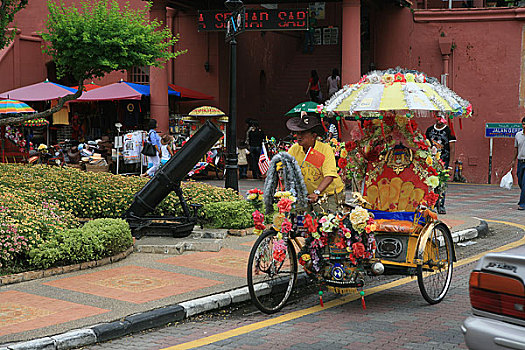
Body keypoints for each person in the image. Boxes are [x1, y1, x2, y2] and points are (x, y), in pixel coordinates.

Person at [286, 113, 345, 213]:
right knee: (298, 220)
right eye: (298, 133)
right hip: (304, 194)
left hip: (328, 193)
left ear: (313, 136)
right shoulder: (294, 149)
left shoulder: (324, 149)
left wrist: (317, 192)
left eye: (303, 133)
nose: (299, 137)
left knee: (327, 222)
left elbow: (329, 175)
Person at [425, 113, 456, 214]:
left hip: (444, 161)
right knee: (429, 183)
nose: (439, 120)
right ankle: (430, 204)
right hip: (431, 161)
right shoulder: (429, 130)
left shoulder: (449, 131)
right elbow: (425, 145)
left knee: (441, 183)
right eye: (437, 117)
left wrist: (450, 166)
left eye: (441, 118)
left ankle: (440, 205)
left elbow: (452, 149)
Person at [508, 116, 525, 210]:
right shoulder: (518, 135)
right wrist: (513, 160)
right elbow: (516, 148)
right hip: (520, 161)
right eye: (523, 124)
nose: (524, 126)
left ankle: (522, 204)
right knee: (520, 182)